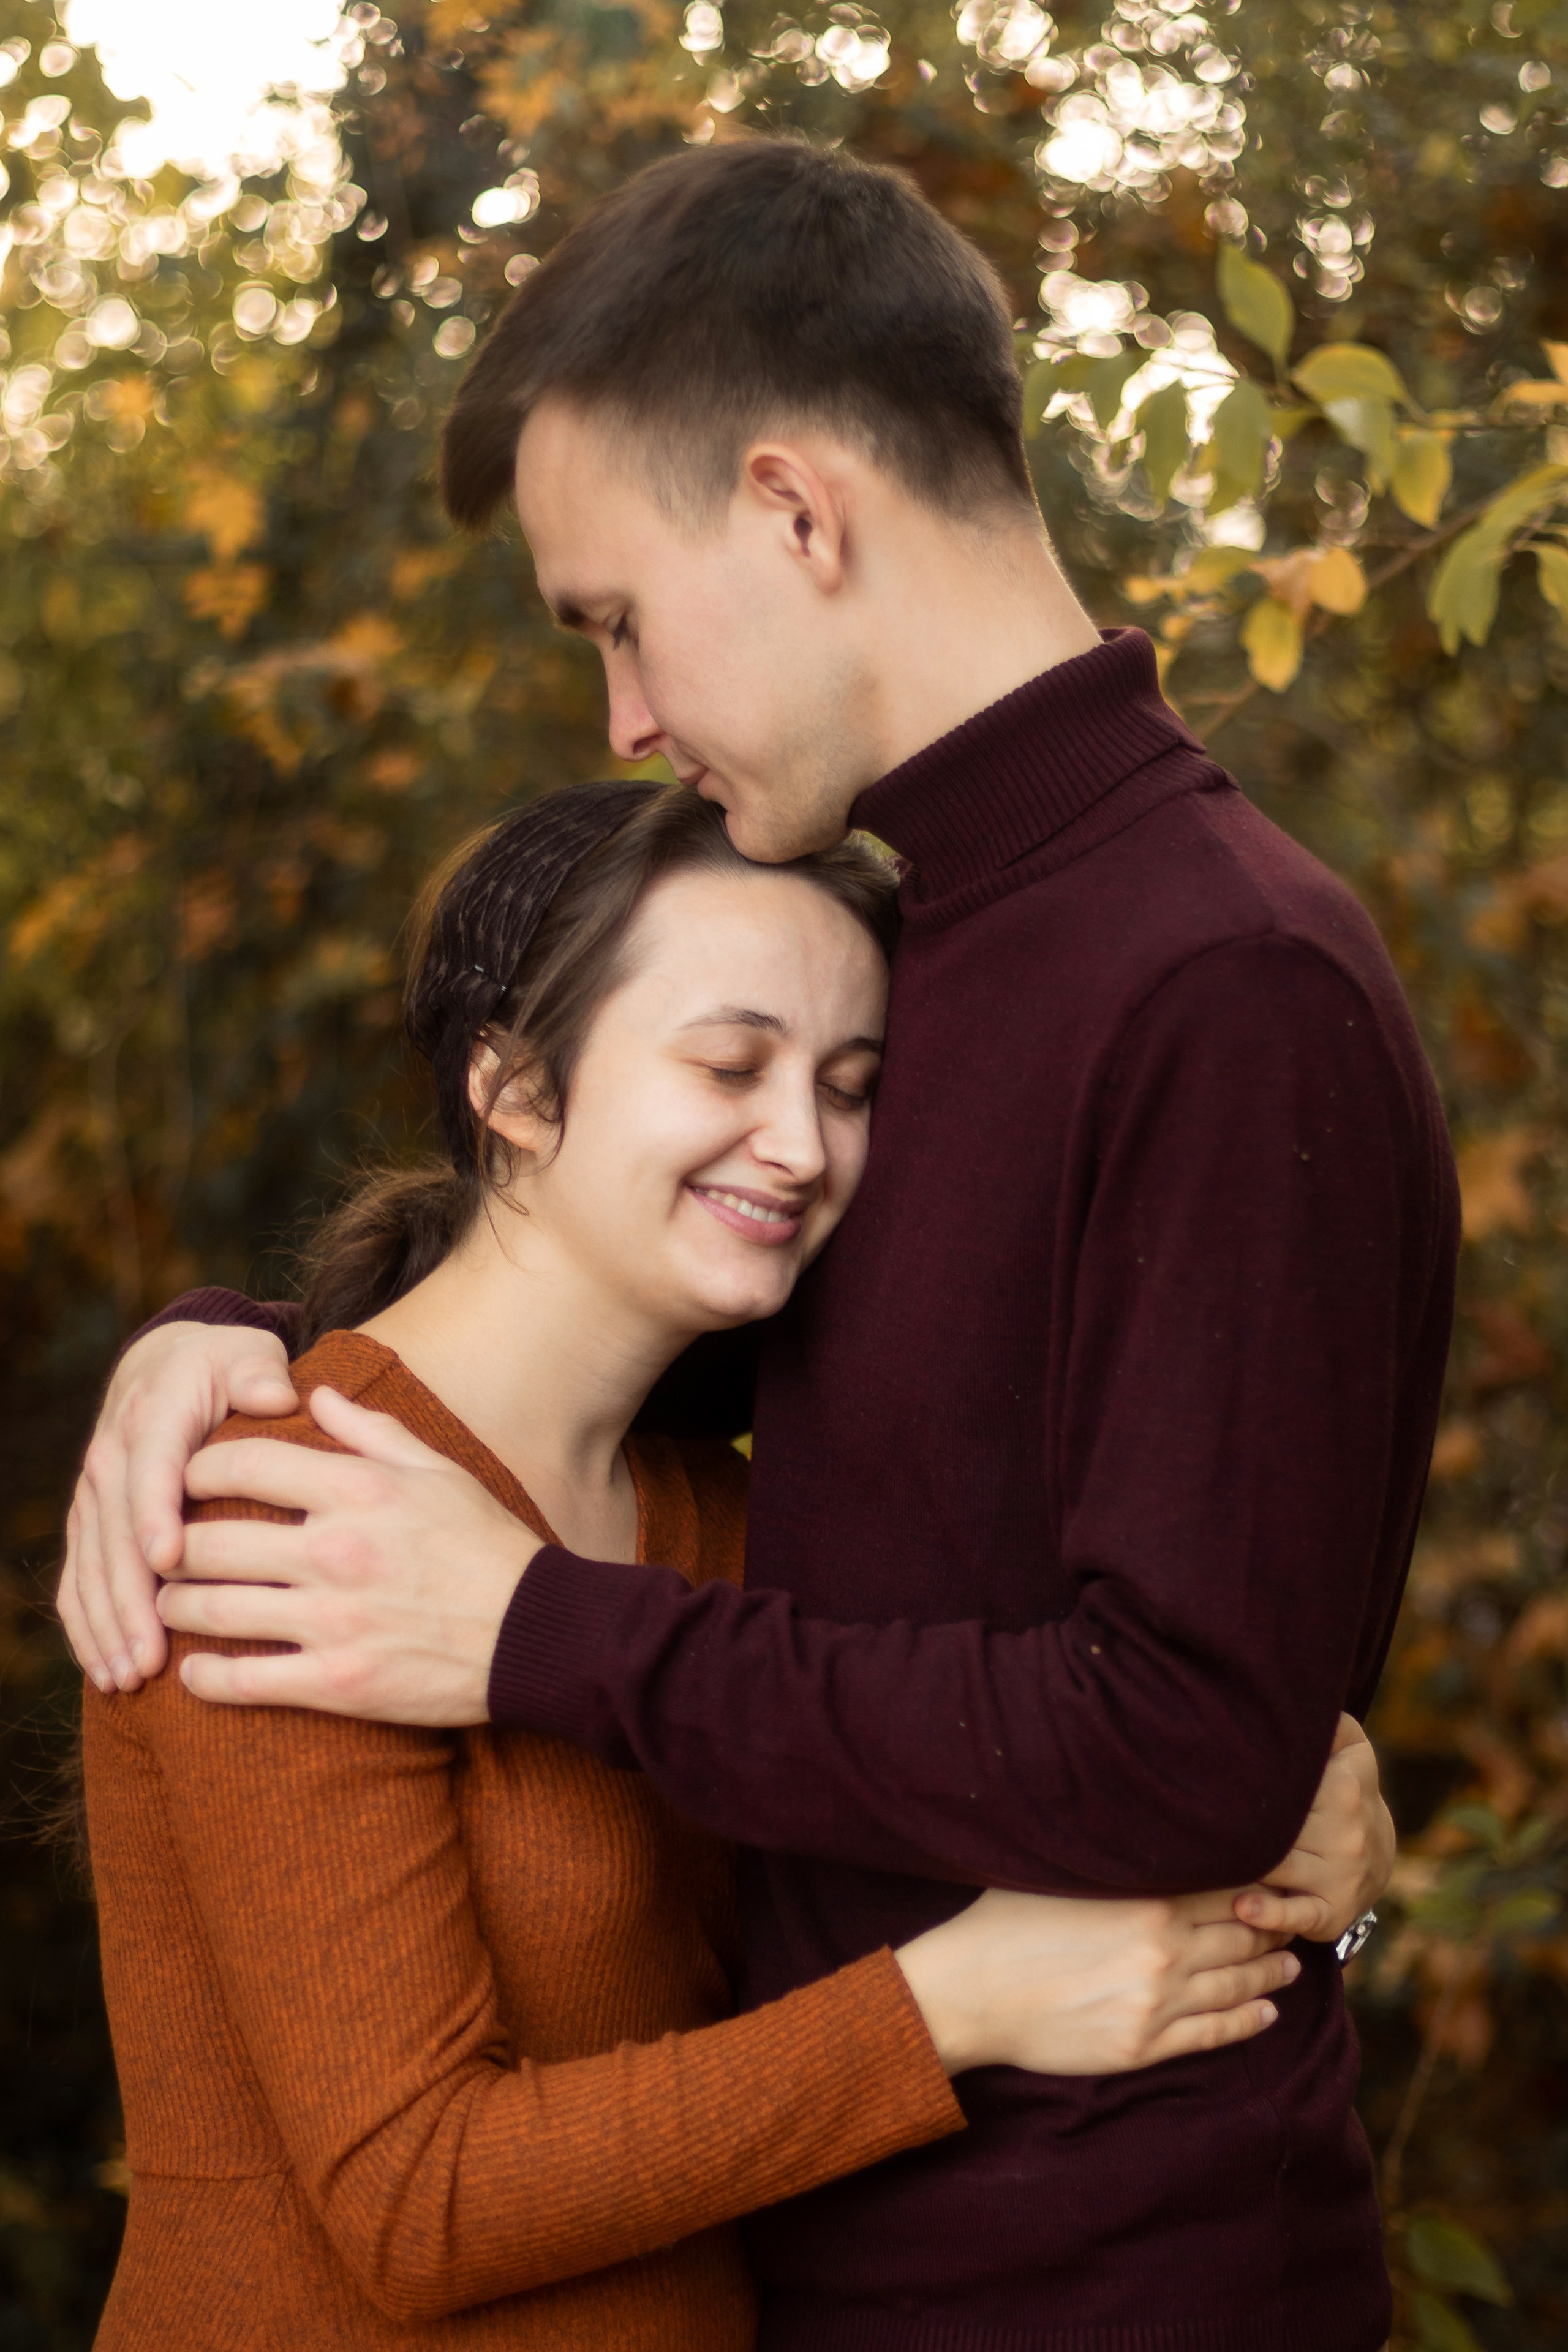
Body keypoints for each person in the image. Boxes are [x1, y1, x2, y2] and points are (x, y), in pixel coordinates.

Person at [60, 138, 1450, 2352]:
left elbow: (1181, 1731)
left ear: (798, 513)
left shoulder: (1218, 975)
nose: (616, 716)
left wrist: (537, 1633)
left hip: (1090, 2292)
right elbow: (651, 1345)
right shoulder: (912, 949)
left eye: (615, 615)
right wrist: (226, 1354)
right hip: (828, 2266)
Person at [83, 782, 1324, 2351]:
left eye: (853, 1086)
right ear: (515, 1089)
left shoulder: (735, 1523)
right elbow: (415, 2200)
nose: (801, 1145)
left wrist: (1315, 1832)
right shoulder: (277, 1512)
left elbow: (1048, 1797)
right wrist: (953, 2007)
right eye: (729, 1064)